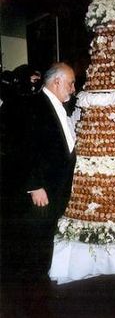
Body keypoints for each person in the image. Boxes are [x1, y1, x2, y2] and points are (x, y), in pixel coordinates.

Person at [1, 62, 76, 285]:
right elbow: (21, 148)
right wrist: (34, 185)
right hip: (42, 189)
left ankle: (40, 284)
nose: (73, 88)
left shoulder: (59, 106)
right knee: (35, 243)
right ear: (57, 81)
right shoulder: (31, 105)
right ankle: (31, 294)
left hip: (57, 187)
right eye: (71, 83)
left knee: (45, 239)